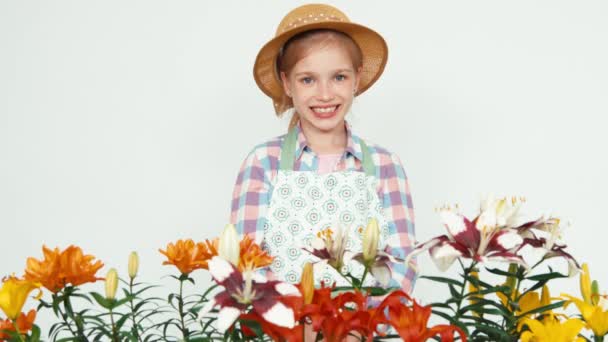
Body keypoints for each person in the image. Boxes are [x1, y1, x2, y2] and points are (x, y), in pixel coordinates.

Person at [230, 3, 416, 293]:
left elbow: (401, 267)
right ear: (287, 83)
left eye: (339, 77)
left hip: (365, 332)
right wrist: (295, 327)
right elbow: (246, 264)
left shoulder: (384, 165)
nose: (325, 94)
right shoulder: (264, 163)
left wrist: (358, 328)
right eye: (308, 80)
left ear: (356, 78)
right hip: (285, 332)